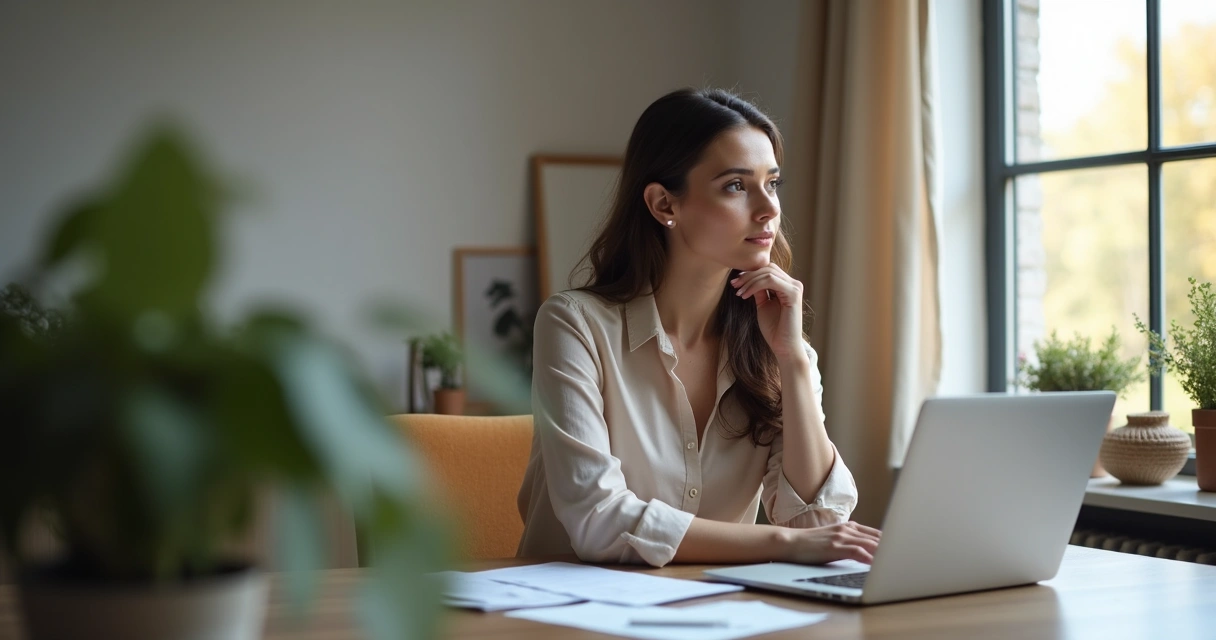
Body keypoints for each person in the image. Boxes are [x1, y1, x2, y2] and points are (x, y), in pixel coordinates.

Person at [516, 88, 880, 568]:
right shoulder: (575, 325)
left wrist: (791, 360)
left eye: (772, 183)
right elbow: (598, 518)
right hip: (564, 616)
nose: (768, 208)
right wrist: (781, 546)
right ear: (665, 204)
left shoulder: (775, 345)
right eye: (736, 185)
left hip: (710, 613)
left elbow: (815, 524)